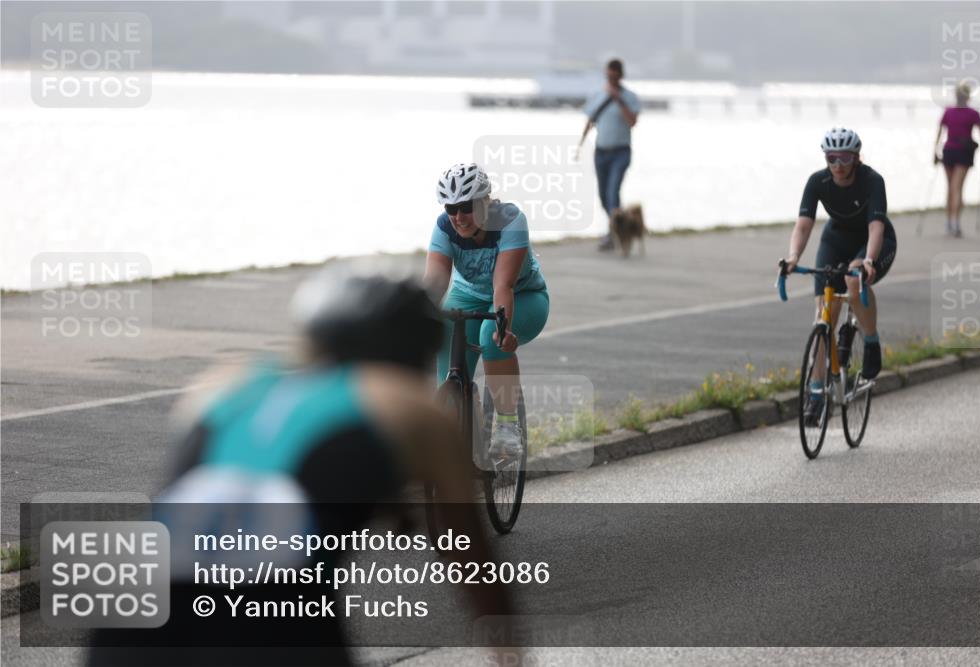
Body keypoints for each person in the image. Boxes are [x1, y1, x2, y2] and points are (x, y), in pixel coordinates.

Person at [87, 274, 514, 667]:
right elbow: (467, 554)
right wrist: (508, 651)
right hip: (272, 624)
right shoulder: (412, 406)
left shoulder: (222, 383)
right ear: (415, 351)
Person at [425, 163, 549, 458]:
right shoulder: (444, 226)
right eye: (451, 208)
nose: (457, 217)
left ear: (484, 200)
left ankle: (507, 428)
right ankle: (459, 433)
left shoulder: (509, 220)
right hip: (468, 295)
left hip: (523, 295)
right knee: (442, 332)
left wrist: (503, 328)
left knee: (491, 333)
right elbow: (433, 284)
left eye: (465, 207)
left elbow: (503, 285)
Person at [783, 128, 898, 424]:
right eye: (831, 157)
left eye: (844, 157)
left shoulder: (872, 181)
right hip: (834, 241)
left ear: (856, 158)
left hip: (875, 242)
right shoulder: (817, 182)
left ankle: (870, 342)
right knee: (824, 316)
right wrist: (794, 257)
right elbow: (804, 225)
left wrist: (868, 261)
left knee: (852, 279)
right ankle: (817, 391)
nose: (837, 164)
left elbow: (876, 227)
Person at [579, 58, 641, 251]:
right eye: (609, 75)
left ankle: (613, 234)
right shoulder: (597, 94)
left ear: (621, 76)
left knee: (612, 191)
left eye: (615, 76)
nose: (612, 79)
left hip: (621, 152)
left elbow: (632, 122)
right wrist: (580, 143)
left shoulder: (629, 97)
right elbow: (591, 119)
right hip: (601, 152)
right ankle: (620, 226)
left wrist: (618, 99)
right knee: (603, 196)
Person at [934, 80, 980, 237]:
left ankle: (949, 222)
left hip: (948, 150)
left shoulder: (948, 111)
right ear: (968, 96)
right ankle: (955, 222)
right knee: (957, 188)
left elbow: (940, 131)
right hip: (963, 152)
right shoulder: (973, 113)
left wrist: (935, 150)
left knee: (950, 187)